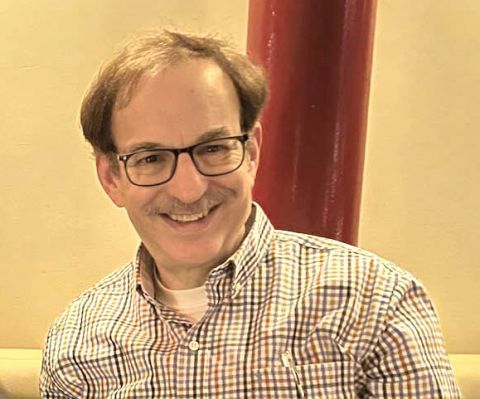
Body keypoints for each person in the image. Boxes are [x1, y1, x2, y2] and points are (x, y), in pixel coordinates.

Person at [40, 29, 461, 398]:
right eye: (151, 158)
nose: (189, 188)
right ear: (112, 178)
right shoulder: (76, 346)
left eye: (213, 149)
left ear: (251, 153)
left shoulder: (375, 302)